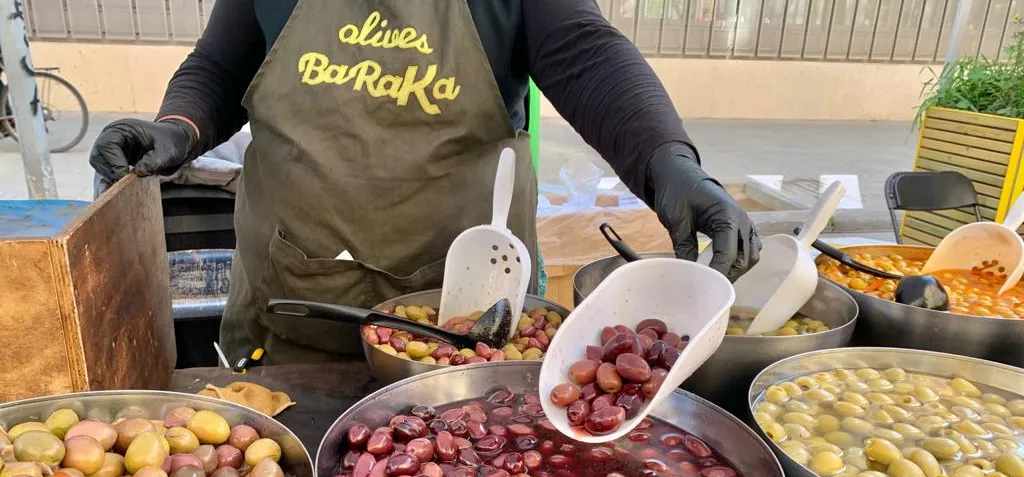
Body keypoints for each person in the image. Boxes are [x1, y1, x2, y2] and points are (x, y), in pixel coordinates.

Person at [90, 0, 760, 365]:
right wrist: (177, 129)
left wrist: (669, 160)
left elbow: (587, 54)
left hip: (467, 319)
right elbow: (220, 63)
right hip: (295, 308)